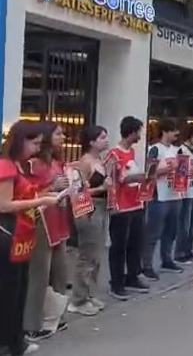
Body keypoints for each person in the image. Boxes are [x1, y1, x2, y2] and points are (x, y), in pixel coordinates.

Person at [0, 121, 60, 356]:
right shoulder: (6, 166)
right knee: (9, 290)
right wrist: (41, 201)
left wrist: (44, 199)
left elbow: (22, 200)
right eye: (34, 143)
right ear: (20, 141)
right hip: (8, 234)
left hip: (23, 232)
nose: (37, 149)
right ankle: (9, 342)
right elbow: (4, 205)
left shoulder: (19, 166)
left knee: (19, 288)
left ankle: (16, 339)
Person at [24, 122, 70, 342]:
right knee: (39, 275)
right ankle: (31, 324)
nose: (63, 137)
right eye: (58, 134)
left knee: (60, 272)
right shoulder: (33, 165)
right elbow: (24, 195)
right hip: (41, 221)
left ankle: (55, 316)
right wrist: (52, 188)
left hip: (59, 219)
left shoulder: (58, 162)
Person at [68, 126, 112, 317]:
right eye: (102, 137)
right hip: (89, 209)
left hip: (101, 207)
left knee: (96, 254)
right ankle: (78, 299)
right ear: (92, 141)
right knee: (87, 255)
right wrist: (101, 187)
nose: (106, 140)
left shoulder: (100, 160)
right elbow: (77, 191)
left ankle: (89, 294)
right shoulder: (84, 163)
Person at [107, 117, 150, 301]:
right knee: (119, 245)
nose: (140, 135)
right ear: (131, 132)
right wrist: (139, 177)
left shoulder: (131, 152)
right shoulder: (114, 154)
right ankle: (116, 282)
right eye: (138, 131)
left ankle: (133, 275)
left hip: (135, 203)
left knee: (135, 242)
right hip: (121, 206)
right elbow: (117, 179)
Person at [142, 119, 183, 281]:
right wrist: (168, 169)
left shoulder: (177, 150)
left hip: (175, 194)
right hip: (159, 195)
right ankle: (147, 264)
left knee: (171, 230)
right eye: (173, 130)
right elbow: (149, 173)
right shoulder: (155, 150)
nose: (176, 134)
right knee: (153, 231)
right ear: (165, 132)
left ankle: (167, 258)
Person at [175, 124, 193, 262]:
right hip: (186, 191)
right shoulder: (181, 150)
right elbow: (180, 172)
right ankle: (180, 252)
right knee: (184, 223)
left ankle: (189, 249)